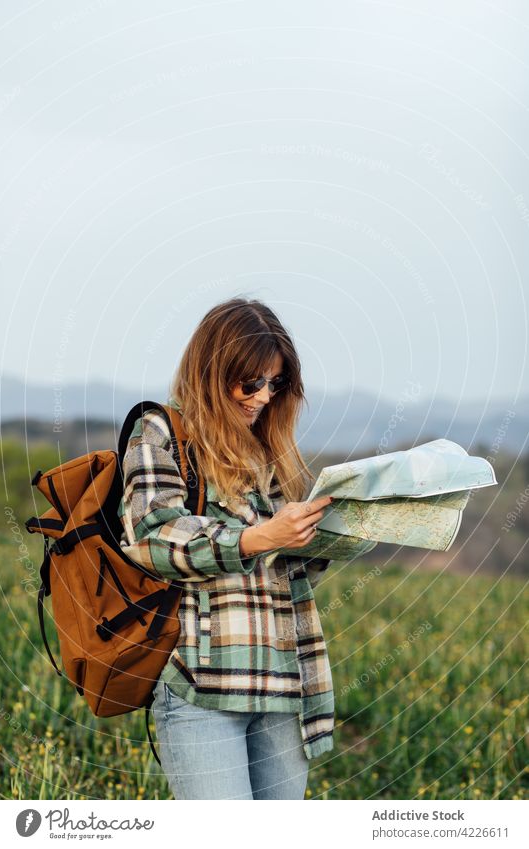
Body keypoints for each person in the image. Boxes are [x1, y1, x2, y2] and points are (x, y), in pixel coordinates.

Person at [117, 296, 335, 800]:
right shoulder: (161, 433)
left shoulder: (267, 452)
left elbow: (282, 575)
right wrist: (261, 537)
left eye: (276, 383)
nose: (263, 396)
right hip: (202, 691)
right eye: (250, 381)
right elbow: (154, 540)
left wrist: (327, 538)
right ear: (213, 371)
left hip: (284, 689)